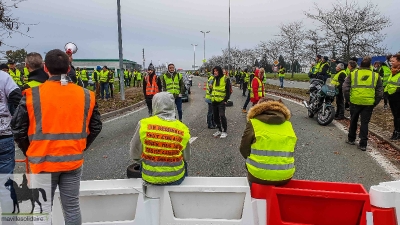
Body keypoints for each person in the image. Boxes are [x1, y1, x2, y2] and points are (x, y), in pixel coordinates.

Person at [10, 49, 102, 224]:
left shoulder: (32, 95)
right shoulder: (86, 95)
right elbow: (96, 126)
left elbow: (17, 128)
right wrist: (80, 146)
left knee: (42, 208)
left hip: (42, 161)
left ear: (45, 68)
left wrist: (30, 151)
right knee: (72, 207)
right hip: (73, 161)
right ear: (69, 69)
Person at [129, 92, 190, 185]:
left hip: (150, 177)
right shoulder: (182, 128)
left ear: (155, 104)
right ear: (172, 105)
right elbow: (187, 157)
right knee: (183, 163)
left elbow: (135, 154)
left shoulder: (144, 124)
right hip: (175, 178)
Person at [240, 97, 297, 186]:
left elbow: (243, 149)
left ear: (258, 108)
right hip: (285, 176)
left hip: (257, 176)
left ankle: (252, 194)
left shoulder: (254, 123)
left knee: (250, 168)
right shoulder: (288, 125)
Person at [343, 56, 383, 151]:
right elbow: (380, 92)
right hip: (368, 103)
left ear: (360, 64)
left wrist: (348, 99)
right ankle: (363, 144)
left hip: (355, 101)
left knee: (353, 120)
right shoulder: (376, 75)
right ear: (370, 65)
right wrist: (374, 102)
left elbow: (345, 88)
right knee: (364, 123)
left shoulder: (353, 73)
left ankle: (351, 139)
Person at [210, 66, 231, 138]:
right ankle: (219, 129)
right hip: (214, 101)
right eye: (214, 71)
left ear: (219, 71)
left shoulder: (225, 79)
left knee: (222, 115)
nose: (215, 72)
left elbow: (228, 90)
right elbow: (212, 90)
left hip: (221, 101)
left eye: (216, 71)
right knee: (215, 116)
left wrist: (225, 100)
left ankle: (224, 130)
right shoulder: (213, 79)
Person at [384, 54, 400, 140]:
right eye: (391, 61)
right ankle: (396, 130)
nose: (391, 63)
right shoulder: (393, 71)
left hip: (397, 97)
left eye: (393, 61)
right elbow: (389, 83)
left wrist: (396, 92)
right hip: (392, 97)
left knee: (398, 116)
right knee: (395, 116)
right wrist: (386, 93)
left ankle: (398, 132)